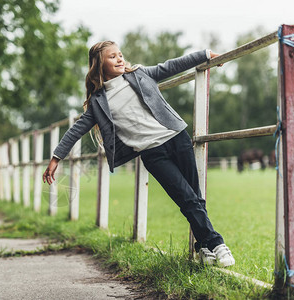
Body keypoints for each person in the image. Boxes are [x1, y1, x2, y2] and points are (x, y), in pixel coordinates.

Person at [42, 41, 235, 267]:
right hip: (153, 154)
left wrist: (204, 55)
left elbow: (170, 66)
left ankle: (203, 247)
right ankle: (217, 244)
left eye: (120, 54)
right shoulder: (97, 102)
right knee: (186, 198)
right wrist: (56, 157)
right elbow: (76, 130)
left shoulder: (139, 74)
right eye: (112, 57)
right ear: (99, 65)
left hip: (177, 137)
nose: (120, 59)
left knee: (195, 197)